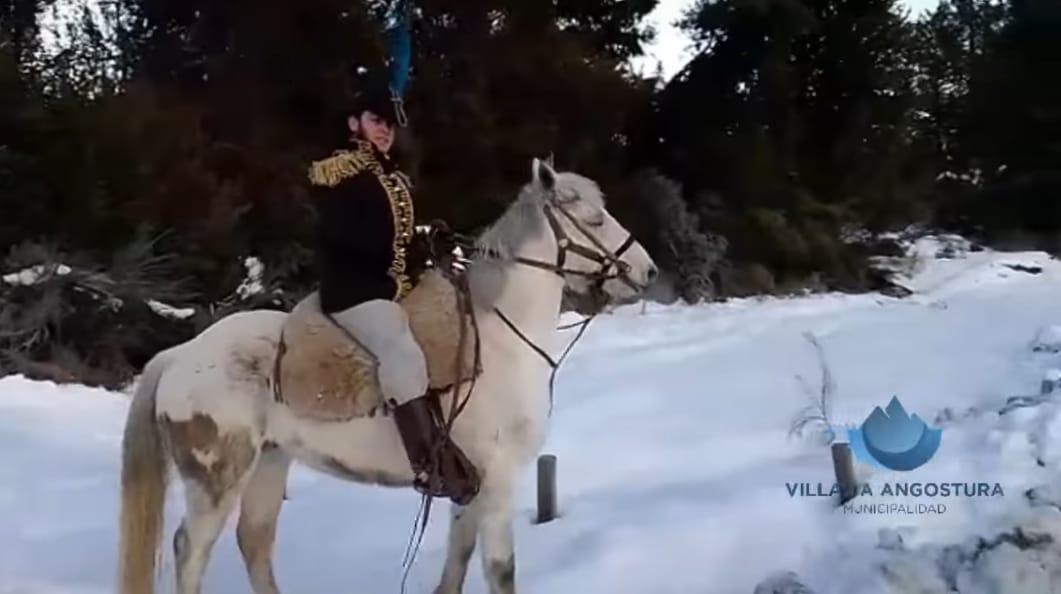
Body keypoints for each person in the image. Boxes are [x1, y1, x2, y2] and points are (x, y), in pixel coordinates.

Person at [306, 81, 479, 505]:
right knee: (400, 349)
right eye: (376, 120)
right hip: (356, 289)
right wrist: (409, 254)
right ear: (355, 123)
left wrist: (427, 239)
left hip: (390, 283)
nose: (385, 130)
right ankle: (428, 463)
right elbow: (353, 239)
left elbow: (397, 237)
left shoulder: (390, 176)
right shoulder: (340, 172)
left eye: (390, 124)